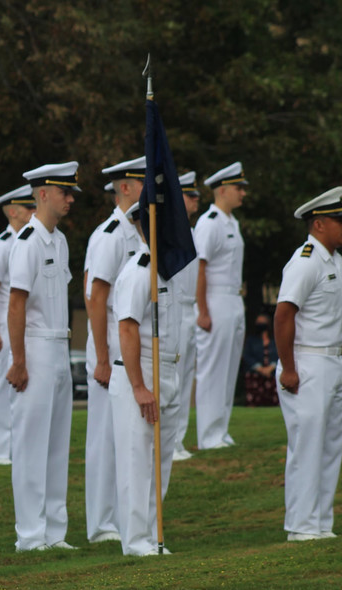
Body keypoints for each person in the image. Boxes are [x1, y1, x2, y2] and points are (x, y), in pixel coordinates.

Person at [275, 187, 342, 541]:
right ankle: (300, 526)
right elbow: (283, 314)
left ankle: (321, 521)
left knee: (330, 445)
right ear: (319, 223)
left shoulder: (334, 259)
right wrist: (288, 367)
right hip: (307, 362)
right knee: (307, 446)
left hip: (334, 361)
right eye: (340, 220)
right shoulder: (306, 260)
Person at [7, 162, 77, 551]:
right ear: (44, 194)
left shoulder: (59, 241)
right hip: (34, 346)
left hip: (59, 345)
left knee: (56, 445)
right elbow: (16, 304)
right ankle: (30, 535)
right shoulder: (27, 241)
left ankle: (54, 531)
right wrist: (18, 360)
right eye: (64, 192)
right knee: (31, 444)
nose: (70, 199)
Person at [109, 202, 181, 556]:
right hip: (141, 372)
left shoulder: (166, 269)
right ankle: (137, 542)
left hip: (167, 369)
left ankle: (154, 537)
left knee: (160, 464)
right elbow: (127, 327)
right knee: (138, 462)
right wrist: (139, 386)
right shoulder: (139, 270)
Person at [84, 156, 146, 544]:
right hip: (108, 340)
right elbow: (95, 296)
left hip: (125, 340)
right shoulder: (110, 234)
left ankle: (123, 519)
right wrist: (103, 358)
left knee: (126, 435)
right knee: (105, 436)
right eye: (143, 183)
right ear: (124, 187)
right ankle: (101, 522)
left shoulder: (137, 232)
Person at [194, 162, 247, 450]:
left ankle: (221, 430)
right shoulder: (209, 222)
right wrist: (202, 310)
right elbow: (199, 268)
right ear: (222, 190)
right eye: (239, 188)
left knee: (227, 370)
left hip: (232, 299)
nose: (243, 193)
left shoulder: (231, 222)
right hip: (214, 299)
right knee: (212, 369)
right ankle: (208, 435)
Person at [0, 185, 36, 466]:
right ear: (14, 211)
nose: (33, 213)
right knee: (1, 387)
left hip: (19, 324)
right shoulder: (2, 244)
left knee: (18, 386)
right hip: (4, 325)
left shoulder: (26, 240)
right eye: (29, 208)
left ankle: (13, 445)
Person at [170, 171, 201, 461]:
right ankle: (171, 440)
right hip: (175, 308)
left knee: (188, 375)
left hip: (190, 308)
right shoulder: (169, 230)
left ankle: (179, 438)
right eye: (190, 195)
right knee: (175, 377)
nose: (196, 201)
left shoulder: (191, 232)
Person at [242, 311, 279, 407]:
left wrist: (271, 367)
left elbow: (280, 354)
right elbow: (247, 356)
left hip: (272, 373)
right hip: (255, 374)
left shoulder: (275, 339)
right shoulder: (251, 340)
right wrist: (259, 368)